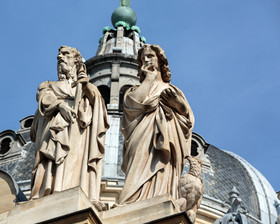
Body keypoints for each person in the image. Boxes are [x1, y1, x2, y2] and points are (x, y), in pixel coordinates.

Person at [30, 46, 109, 206]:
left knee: (75, 163)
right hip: (55, 131)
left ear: (76, 61)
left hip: (79, 135)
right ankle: (52, 189)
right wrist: (60, 105)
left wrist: (85, 86)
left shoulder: (87, 87)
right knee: (54, 161)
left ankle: (73, 188)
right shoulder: (48, 85)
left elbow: (97, 104)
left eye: (65, 54)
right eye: (59, 54)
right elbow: (44, 99)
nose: (60, 57)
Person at [117, 44, 194, 205]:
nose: (146, 60)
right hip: (142, 135)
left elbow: (187, 119)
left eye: (150, 56)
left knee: (163, 169)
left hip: (168, 134)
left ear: (160, 61)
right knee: (139, 166)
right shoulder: (136, 89)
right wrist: (149, 79)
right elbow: (133, 105)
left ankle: (160, 197)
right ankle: (133, 200)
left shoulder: (171, 89)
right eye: (142, 58)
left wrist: (177, 104)